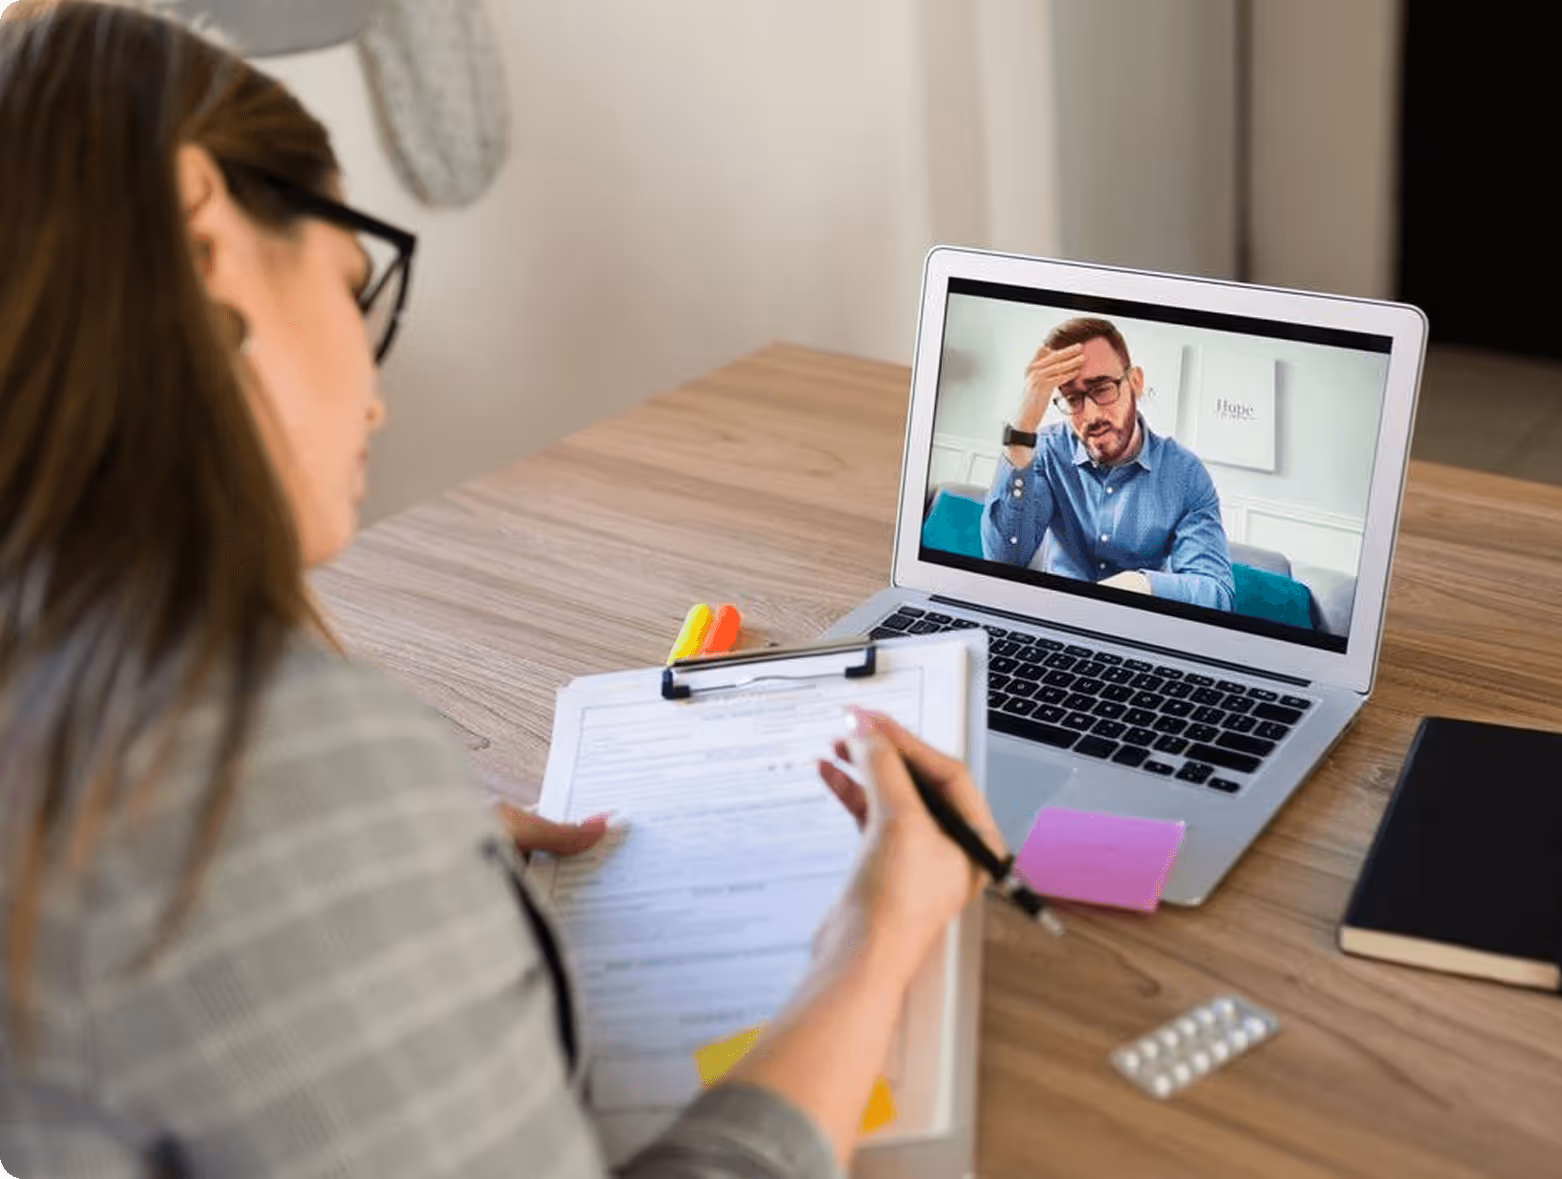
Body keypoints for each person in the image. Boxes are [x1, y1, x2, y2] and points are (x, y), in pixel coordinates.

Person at [0, 4, 1003, 1176]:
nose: (376, 399)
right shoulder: (240, 776)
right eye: (355, 283)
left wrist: (399, 893)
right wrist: (875, 940)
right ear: (205, 230)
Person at [981, 316, 1235, 611]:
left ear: (1135, 382)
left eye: (1101, 388)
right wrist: (1021, 430)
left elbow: (1216, 594)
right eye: (1073, 398)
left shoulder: (1185, 474)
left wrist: (1139, 585)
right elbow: (1003, 561)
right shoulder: (1047, 452)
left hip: (1140, 623)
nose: (1090, 416)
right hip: (1059, 618)